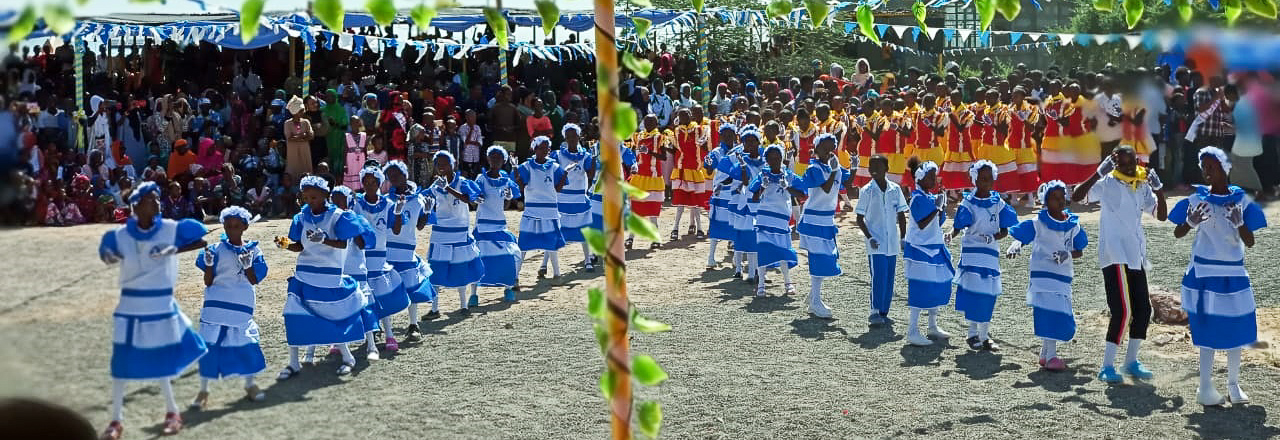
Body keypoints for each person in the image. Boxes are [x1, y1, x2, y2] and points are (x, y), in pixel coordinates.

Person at [96, 182, 209, 439]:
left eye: (158, 198)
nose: (157, 203)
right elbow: (107, 255)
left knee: (162, 362)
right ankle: (116, 421)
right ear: (136, 206)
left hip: (160, 307)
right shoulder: (120, 236)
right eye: (151, 199)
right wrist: (112, 257)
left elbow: (200, 238)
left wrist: (173, 249)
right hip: (130, 308)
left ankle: (172, 412)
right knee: (121, 364)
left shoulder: (170, 229)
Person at [1169, 147, 1266, 405]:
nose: (1207, 171)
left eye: (1211, 166)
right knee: (1207, 329)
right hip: (1204, 274)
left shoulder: (1242, 201)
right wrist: (1189, 223)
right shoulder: (1196, 199)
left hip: (1233, 273)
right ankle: (1205, 387)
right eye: (1204, 167)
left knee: (1237, 327)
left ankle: (1233, 385)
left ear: (1225, 168)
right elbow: (1178, 233)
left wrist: (1240, 223)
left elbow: (1250, 241)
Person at [1070, 145, 1167, 383]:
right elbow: (1076, 196)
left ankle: (1131, 361)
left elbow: (1162, 215)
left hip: (1135, 255)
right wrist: (1098, 173)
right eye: (1123, 163)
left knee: (1143, 310)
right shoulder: (1107, 183)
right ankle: (1107, 366)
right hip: (1114, 254)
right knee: (1122, 310)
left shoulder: (1142, 185)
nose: (1128, 167)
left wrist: (1159, 189)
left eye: (1132, 162)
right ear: (1114, 163)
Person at [274, 176, 369, 379]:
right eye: (306, 197)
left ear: (325, 195)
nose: (310, 201)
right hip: (303, 275)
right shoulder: (301, 218)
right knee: (293, 316)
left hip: (328, 277)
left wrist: (324, 240)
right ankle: (293, 363)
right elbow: (299, 246)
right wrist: (285, 245)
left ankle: (348, 358)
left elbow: (343, 244)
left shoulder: (338, 216)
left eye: (314, 197)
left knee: (332, 318)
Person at [189, 206, 269, 410]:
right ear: (223, 226)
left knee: (245, 344)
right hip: (215, 305)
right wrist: (209, 265)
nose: (232, 229)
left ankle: (250, 385)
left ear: (245, 227)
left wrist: (248, 265)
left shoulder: (254, 250)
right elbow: (208, 282)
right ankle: (203, 390)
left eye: (236, 226)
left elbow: (255, 280)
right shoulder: (214, 250)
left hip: (241, 306)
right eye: (228, 226)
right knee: (210, 347)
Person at [1004, 181, 1089, 370]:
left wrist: (1067, 254)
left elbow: (1079, 251)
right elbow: (1024, 235)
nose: (1059, 201)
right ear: (1045, 201)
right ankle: (1051, 356)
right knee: (1051, 314)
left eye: (1061, 197)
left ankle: (1045, 353)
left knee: (1058, 314)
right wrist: (1017, 243)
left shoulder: (1073, 224)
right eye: (1054, 198)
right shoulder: (1039, 222)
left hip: (1062, 277)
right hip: (1042, 277)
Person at [948, 160, 1018, 350]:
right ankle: (972, 334)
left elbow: (1004, 230)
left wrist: (993, 237)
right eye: (982, 178)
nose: (986, 182)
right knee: (974, 294)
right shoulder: (968, 203)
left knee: (988, 295)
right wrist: (951, 234)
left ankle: (985, 335)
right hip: (972, 255)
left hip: (990, 256)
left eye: (989, 178)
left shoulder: (998, 203)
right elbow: (958, 226)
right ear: (975, 180)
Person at [352, 166, 410, 354]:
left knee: (381, 297)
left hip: (378, 258)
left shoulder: (388, 204)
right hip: (360, 257)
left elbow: (396, 230)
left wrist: (398, 213)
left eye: (373, 182)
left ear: (379, 183)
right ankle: (353, 337)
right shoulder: (356, 204)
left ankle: (389, 335)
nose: (369, 185)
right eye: (366, 182)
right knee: (361, 298)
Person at [797, 134, 853, 317]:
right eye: (824, 148)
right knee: (819, 258)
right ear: (816, 149)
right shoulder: (813, 169)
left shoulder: (832, 166)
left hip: (826, 220)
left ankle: (813, 296)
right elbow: (827, 188)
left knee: (827, 256)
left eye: (831, 148)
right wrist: (835, 170)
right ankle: (815, 302)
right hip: (813, 220)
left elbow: (847, 181)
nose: (828, 151)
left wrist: (853, 166)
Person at [423, 151, 485, 313]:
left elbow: (468, 199)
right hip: (440, 233)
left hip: (459, 231)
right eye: (439, 164)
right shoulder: (435, 186)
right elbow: (422, 198)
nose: (442, 167)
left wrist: (447, 188)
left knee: (460, 269)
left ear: (453, 165)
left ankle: (463, 305)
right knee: (436, 269)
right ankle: (434, 309)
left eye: (445, 164)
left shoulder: (462, 182)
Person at [902, 160, 954, 345]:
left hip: (934, 247)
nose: (934, 180)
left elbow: (936, 223)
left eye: (935, 176)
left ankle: (932, 326)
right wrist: (937, 207)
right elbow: (922, 224)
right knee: (920, 288)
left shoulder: (929, 197)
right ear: (920, 178)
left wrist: (941, 207)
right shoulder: (916, 198)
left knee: (936, 285)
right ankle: (912, 330)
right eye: (930, 176)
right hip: (920, 250)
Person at [330, 186, 382, 361]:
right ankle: (339, 342)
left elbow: (362, 244)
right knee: (338, 307)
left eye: (340, 200)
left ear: (349, 201)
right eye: (333, 200)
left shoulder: (358, 219)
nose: (336, 203)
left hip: (356, 269)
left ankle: (371, 345)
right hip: (337, 270)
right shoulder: (329, 221)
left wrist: (352, 226)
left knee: (364, 307)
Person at [856, 155, 909, 326]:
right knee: (878, 276)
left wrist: (903, 237)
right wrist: (869, 237)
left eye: (878, 166)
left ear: (886, 168)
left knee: (889, 277)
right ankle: (874, 311)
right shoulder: (866, 191)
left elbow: (901, 215)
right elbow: (859, 218)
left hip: (892, 242)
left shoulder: (895, 189)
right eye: (871, 166)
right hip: (876, 243)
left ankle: (884, 311)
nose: (873, 170)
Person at [384, 160, 437, 326]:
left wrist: (427, 212)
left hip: (407, 251)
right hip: (386, 251)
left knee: (411, 289)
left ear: (405, 175)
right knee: (385, 291)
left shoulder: (418, 200)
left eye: (396, 174)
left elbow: (420, 226)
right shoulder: (386, 201)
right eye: (390, 176)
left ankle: (413, 325)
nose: (393, 178)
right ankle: (385, 329)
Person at [749, 144, 806, 296]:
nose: (775, 161)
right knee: (763, 250)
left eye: (777, 158)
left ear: (781, 158)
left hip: (781, 218)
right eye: (771, 158)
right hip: (764, 217)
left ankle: (788, 283)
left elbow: (802, 194)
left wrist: (787, 187)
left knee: (783, 250)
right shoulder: (763, 175)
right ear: (766, 160)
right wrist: (762, 186)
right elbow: (754, 197)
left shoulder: (789, 175)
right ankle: (761, 285)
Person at [474, 147, 523, 302]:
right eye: (492, 157)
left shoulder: (506, 181)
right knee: (479, 259)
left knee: (510, 256)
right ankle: (473, 295)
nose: (495, 160)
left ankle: (508, 287)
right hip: (483, 226)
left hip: (500, 225)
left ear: (503, 161)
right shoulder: (481, 179)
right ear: (488, 159)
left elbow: (506, 206)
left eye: (499, 158)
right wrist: (476, 198)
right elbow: (474, 199)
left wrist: (508, 198)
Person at [517, 136, 568, 280]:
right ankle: (515, 277)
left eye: (547, 148)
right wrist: (515, 171)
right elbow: (521, 187)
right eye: (541, 148)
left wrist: (565, 174)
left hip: (550, 211)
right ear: (535, 149)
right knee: (524, 244)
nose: (544, 150)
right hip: (531, 211)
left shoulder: (555, 167)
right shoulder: (526, 167)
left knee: (551, 244)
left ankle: (557, 274)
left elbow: (558, 189)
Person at [554, 124, 595, 270]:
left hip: (579, 198)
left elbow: (591, 175)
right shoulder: (557, 155)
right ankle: (544, 264)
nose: (571, 139)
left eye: (574, 136)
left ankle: (587, 260)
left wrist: (594, 157)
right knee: (555, 231)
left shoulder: (586, 156)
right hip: (561, 198)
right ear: (565, 138)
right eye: (568, 136)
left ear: (579, 137)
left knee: (584, 229)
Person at [728, 127, 766, 283]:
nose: (750, 144)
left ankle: (759, 271)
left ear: (758, 142)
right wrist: (743, 166)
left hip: (762, 204)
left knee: (760, 238)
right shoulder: (739, 163)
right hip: (745, 204)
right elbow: (743, 182)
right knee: (745, 236)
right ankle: (743, 270)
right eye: (746, 141)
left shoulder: (766, 161)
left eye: (753, 141)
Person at [626, 115, 668, 249]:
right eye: (646, 121)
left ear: (656, 123)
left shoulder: (660, 138)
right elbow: (633, 154)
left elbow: (664, 157)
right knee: (635, 209)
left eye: (651, 121)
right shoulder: (638, 137)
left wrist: (649, 152)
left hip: (653, 178)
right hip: (639, 177)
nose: (648, 123)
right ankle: (630, 238)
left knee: (652, 211)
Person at [668, 109, 710, 239]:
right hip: (680, 170)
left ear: (691, 116)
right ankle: (675, 229)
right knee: (680, 203)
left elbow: (705, 148)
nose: (684, 118)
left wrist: (703, 145)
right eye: (681, 116)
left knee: (695, 202)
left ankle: (699, 228)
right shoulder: (676, 131)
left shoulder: (699, 129)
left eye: (686, 115)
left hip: (695, 170)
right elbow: (673, 149)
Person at [705, 125, 738, 269]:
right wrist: (709, 164)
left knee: (736, 224)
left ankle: (736, 258)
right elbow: (708, 171)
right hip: (720, 192)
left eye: (730, 135)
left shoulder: (740, 151)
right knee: (716, 223)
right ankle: (711, 257)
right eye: (724, 135)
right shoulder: (716, 152)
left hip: (736, 192)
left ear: (735, 136)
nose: (728, 137)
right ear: (720, 137)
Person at [284, 96, 314, 178]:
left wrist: (298, 137)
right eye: (301, 111)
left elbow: (311, 135)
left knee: (305, 169)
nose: (303, 112)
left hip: (305, 151)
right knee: (293, 169)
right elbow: (289, 138)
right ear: (295, 112)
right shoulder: (287, 123)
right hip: (293, 152)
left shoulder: (306, 122)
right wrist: (302, 136)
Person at [343, 116, 367, 188]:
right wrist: (345, 165)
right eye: (353, 122)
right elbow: (344, 151)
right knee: (352, 181)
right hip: (351, 161)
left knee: (361, 178)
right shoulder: (347, 136)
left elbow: (365, 150)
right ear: (350, 124)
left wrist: (366, 162)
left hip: (361, 160)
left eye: (357, 122)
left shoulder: (364, 135)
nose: (355, 124)